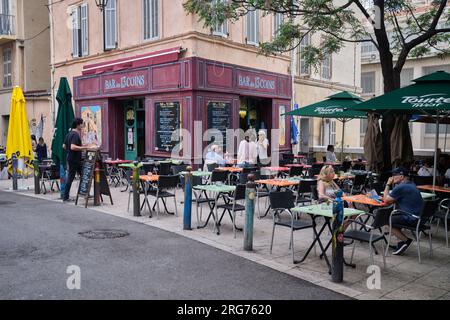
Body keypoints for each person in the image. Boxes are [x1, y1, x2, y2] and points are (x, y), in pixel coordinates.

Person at [382, 167, 424, 255]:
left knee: (385, 220)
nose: (392, 177)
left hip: (412, 218)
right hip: (419, 218)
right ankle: (400, 243)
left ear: (401, 176)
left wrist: (388, 184)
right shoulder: (411, 184)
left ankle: (406, 241)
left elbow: (386, 200)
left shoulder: (401, 187)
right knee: (395, 216)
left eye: (394, 175)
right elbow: (394, 199)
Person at [62, 118, 97, 202]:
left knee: (84, 175)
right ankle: (66, 197)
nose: (82, 125)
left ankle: (85, 193)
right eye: (82, 124)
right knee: (72, 177)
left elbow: (64, 146)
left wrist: (70, 151)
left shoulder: (69, 134)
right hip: (75, 160)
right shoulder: (75, 134)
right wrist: (85, 147)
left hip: (72, 159)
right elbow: (72, 146)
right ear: (78, 125)